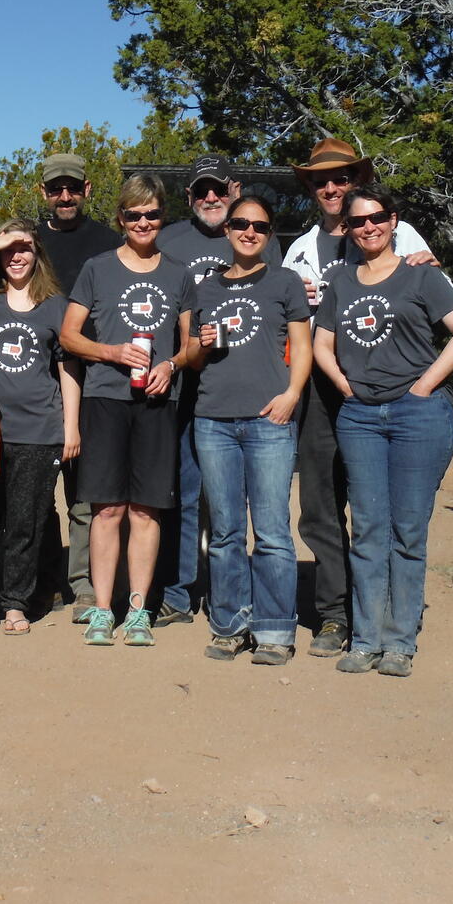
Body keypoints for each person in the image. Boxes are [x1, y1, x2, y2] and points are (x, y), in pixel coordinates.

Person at [313, 184, 453, 676]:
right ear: (346, 228)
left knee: (407, 531)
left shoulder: (421, 276)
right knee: (367, 529)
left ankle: (400, 642)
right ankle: (365, 639)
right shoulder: (341, 282)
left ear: (393, 220)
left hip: (417, 417)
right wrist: (346, 386)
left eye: (377, 218)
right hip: (361, 417)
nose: (369, 227)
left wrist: (423, 389)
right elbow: (323, 343)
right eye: (358, 221)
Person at [280, 138, 436, 658]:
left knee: (385, 507)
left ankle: (389, 611)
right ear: (310, 187)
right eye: (321, 180)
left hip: (386, 390)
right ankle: (334, 612)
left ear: (357, 183)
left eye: (342, 178)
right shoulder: (300, 249)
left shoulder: (393, 229)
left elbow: (438, 301)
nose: (331, 187)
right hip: (325, 391)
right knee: (322, 505)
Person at [61, 173, 195, 647]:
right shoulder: (98, 268)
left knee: (145, 510)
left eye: (152, 214)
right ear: (121, 218)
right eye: (134, 215)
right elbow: (69, 336)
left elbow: (191, 343)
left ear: (163, 217)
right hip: (106, 399)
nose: (143, 222)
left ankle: (137, 610)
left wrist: (173, 365)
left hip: (157, 403)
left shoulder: (178, 273)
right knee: (107, 509)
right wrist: (113, 352)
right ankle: (102, 609)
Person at [155, 154, 281, 628]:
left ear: (233, 190)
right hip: (185, 387)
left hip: (243, 391)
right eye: (200, 191)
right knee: (186, 494)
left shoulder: (258, 237)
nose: (210, 198)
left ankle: (242, 594)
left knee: (245, 503)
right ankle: (180, 591)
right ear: (188, 197)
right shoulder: (168, 240)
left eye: (217, 190)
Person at [186, 196, 311, 665]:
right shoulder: (207, 288)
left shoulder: (284, 281)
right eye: (240, 223)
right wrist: (201, 345)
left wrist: (292, 395)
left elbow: (301, 346)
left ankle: (276, 630)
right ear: (227, 230)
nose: (249, 232)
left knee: (274, 531)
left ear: (270, 233)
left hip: (269, 420)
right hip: (214, 419)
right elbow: (194, 358)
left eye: (259, 225)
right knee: (224, 532)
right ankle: (229, 624)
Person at [0, 220, 81, 635]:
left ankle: (15, 602)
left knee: (27, 523)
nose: (16, 255)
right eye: (8, 248)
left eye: (25, 247)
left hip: (40, 430)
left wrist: (72, 426)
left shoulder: (57, 306)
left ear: (38, 254)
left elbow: (67, 369)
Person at [33, 153, 120, 620]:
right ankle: (43, 580)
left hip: (92, 381)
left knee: (85, 492)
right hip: (33, 382)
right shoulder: (29, 241)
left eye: (71, 188)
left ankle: (83, 583)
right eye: (54, 188)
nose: (63, 196)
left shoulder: (109, 243)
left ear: (87, 189)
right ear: (43, 192)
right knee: (37, 491)